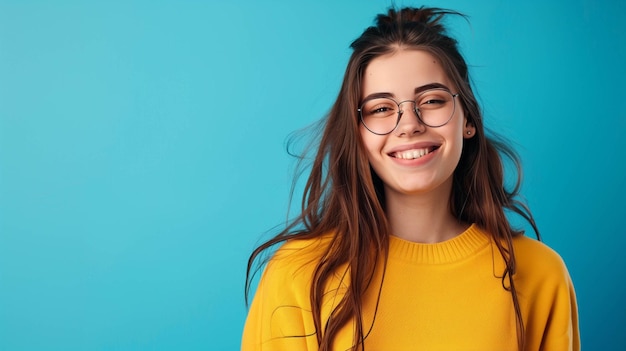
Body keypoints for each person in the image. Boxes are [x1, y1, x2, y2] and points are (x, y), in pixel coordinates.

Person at [242, 6, 579, 351]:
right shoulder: (298, 273)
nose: (409, 125)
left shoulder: (540, 274)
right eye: (381, 109)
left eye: (431, 100)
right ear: (357, 134)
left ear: (468, 120)